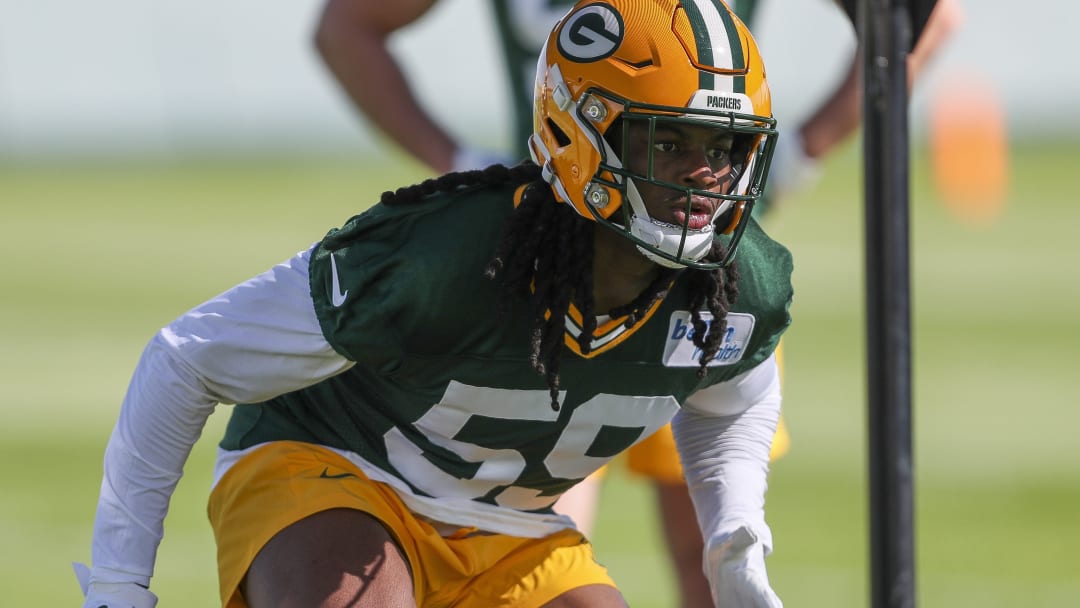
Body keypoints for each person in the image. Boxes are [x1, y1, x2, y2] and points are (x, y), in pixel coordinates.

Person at [75, 1, 792, 607]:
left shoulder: (741, 282)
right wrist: (117, 583)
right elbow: (185, 360)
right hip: (338, 471)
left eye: (725, 146)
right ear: (584, 131)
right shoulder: (446, 255)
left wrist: (736, 537)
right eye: (667, 140)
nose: (705, 176)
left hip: (512, 528)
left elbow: (734, 404)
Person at [312, 0, 960, 605]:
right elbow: (346, 28)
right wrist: (459, 164)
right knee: (523, 538)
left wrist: (805, 149)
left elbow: (920, 19)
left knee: (711, 555)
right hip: (547, 262)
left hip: (703, 271)